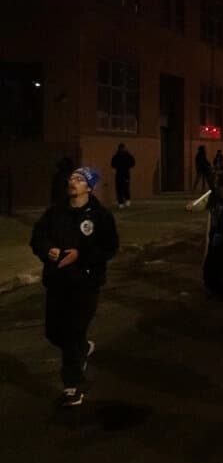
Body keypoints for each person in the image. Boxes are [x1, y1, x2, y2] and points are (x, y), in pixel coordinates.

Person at [29, 167, 119, 407]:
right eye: (72, 178)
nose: (73, 182)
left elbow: (109, 247)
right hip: (57, 281)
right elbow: (37, 237)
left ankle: (73, 386)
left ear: (89, 187)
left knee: (72, 332)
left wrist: (81, 255)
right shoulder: (55, 212)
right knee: (53, 332)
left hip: (85, 283)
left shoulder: (100, 216)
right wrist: (47, 249)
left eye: (79, 179)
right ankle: (82, 348)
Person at [110, 143, 136, 208]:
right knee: (119, 188)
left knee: (125, 188)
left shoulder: (127, 156)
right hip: (120, 173)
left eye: (123, 148)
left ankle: (127, 200)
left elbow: (133, 163)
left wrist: (126, 166)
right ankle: (121, 202)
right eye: (121, 148)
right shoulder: (116, 156)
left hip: (125, 173)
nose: (122, 149)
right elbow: (113, 164)